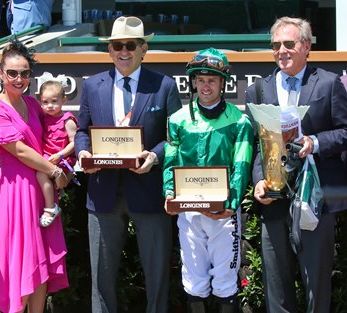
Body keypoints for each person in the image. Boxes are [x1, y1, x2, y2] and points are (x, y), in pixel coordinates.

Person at [74, 16, 182, 313]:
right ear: (109, 50)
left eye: (130, 45)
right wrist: (83, 155)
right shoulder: (93, 85)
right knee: (102, 277)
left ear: (143, 49)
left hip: (149, 190)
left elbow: (176, 135)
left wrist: (155, 156)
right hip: (103, 193)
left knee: (157, 274)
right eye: (116, 45)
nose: (123, 51)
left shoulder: (164, 86)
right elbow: (82, 130)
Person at [245, 16, 347, 313]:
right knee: (276, 284)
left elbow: (344, 131)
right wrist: (258, 181)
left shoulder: (328, 84)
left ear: (306, 47)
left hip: (315, 196)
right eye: (275, 45)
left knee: (316, 282)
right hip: (274, 196)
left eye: (288, 44)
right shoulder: (259, 91)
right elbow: (256, 146)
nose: (281, 51)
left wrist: (314, 142)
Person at [162, 48, 254, 313]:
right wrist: (169, 194)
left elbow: (241, 165)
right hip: (188, 212)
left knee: (226, 278)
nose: (205, 85)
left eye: (212, 80)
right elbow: (170, 161)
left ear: (223, 83)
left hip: (223, 212)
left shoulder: (240, 121)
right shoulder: (177, 120)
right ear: (193, 82)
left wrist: (231, 203)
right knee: (193, 278)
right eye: (200, 80)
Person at [0, 38, 69, 313]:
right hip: (16, 192)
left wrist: (66, 160)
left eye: (24, 73)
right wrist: (54, 171)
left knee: (40, 259)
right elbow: (19, 151)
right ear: (1, 74)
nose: (18, 79)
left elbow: (54, 135)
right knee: (19, 261)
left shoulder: (33, 104)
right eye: (12, 73)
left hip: (41, 193)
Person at [36, 71, 78, 227]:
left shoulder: (67, 120)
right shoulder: (44, 118)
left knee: (41, 174)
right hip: (48, 156)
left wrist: (60, 154)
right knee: (39, 174)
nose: (49, 105)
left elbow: (74, 143)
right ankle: (54, 195)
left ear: (64, 100)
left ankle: (50, 207)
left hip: (62, 159)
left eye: (54, 101)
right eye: (45, 102)